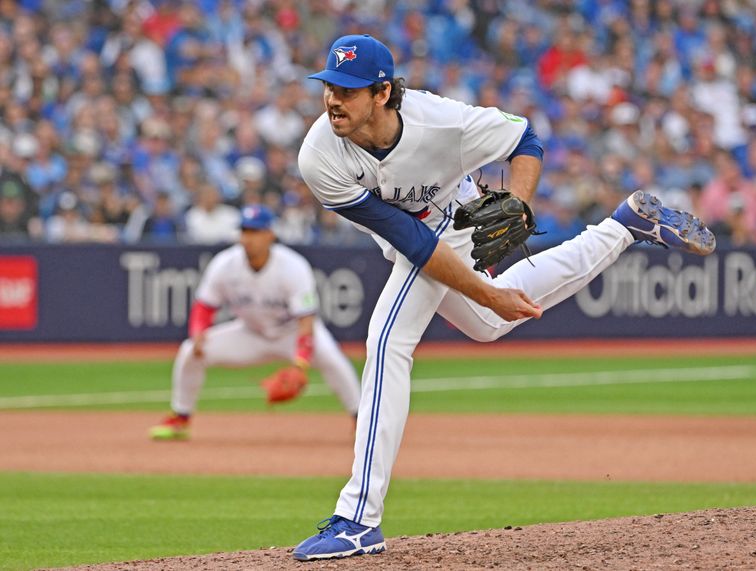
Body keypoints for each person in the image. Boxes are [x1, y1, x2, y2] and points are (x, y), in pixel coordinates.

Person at [292, 34, 715, 560]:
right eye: (329, 85)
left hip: (457, 216)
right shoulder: (320, 156)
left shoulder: (440, 121)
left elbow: (525, 139)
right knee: (486, 323)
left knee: (386, 342)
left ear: (382, 92)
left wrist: (517, 204)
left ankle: (358, 518)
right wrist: (489, 298)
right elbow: (411, 242)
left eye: (348, 90)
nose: (333, 98)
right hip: (417, 236)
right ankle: (626, 226)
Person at [149, 204, 361, 440]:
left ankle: (361, 419)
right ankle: (180, 417)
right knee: (190, 351)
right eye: (245, 231)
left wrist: (301, 363)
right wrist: (198, 332)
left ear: (270, 234)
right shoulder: (225, 264)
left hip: (291, 333)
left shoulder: (293, 266)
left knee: (334, 361)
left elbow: (306, 321)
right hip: (250, 334)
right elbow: (204, 306)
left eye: (255, 232)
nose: (248, 238)